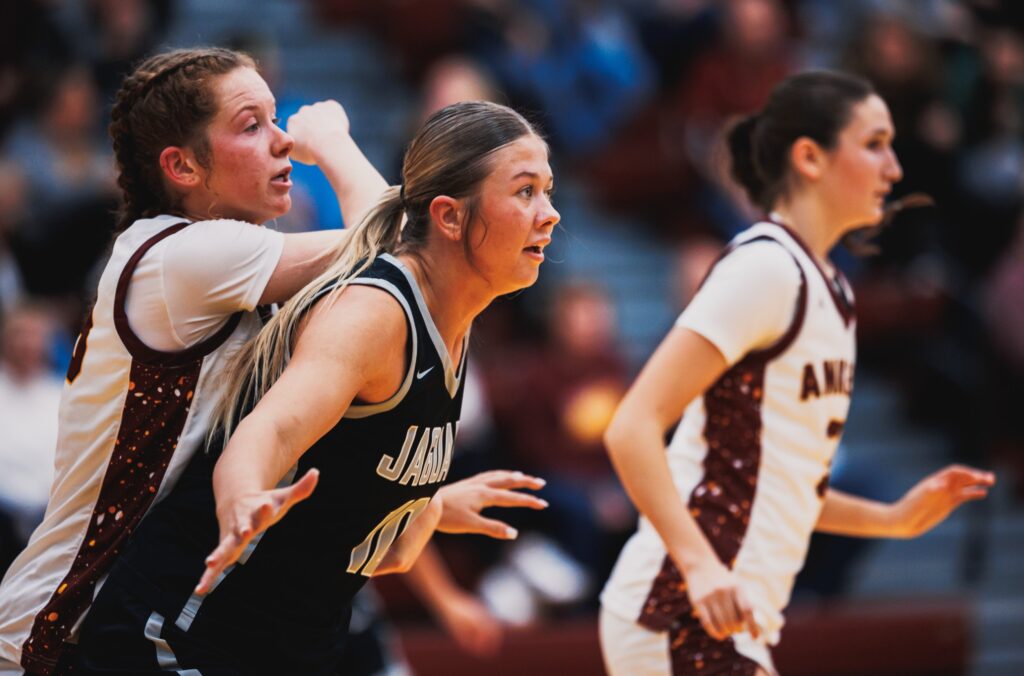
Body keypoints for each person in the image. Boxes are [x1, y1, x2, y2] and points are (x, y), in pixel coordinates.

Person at [0, 48, 540, 676]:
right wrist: (332, 142)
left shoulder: (244, 272)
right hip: (57, 626)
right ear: (182, 167)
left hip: (130, 608)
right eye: (251, 125)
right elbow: (407, 252)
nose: (284, 140)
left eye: (278, 119)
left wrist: (424, 504)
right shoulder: (178, 258)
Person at [599, 70, 996, 676]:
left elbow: (777, 484)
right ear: (810, 157)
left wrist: (891, 520)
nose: (894, 168)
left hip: (733, 621)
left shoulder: (832, 289)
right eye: (875, 144)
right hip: (681, 611)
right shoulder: (766, 268)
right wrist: (700, 565)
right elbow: (631, 428)